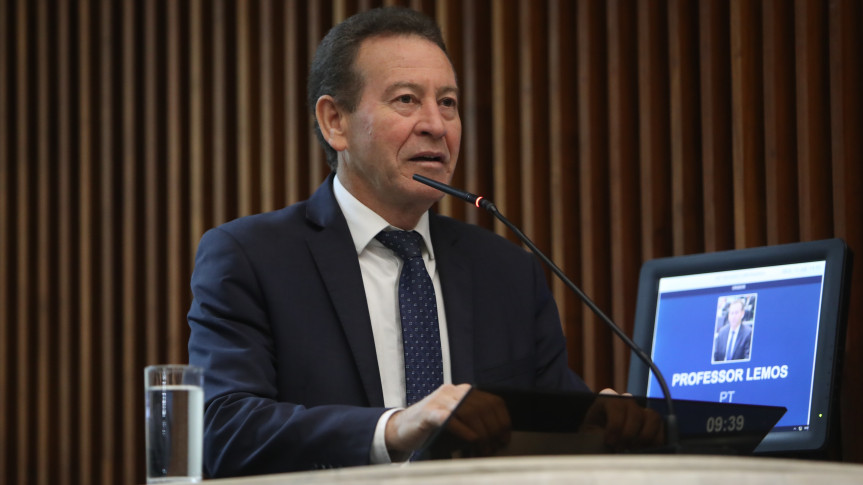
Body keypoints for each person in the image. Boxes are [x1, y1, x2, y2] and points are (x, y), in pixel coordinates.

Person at [188, 7, 655, 478]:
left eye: (448, 102)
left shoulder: (507, 271)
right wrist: (393, 428)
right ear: (335, 122)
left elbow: (552, 426)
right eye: (407, 100)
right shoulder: (252, 257)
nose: (436, 124)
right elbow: (223, 429)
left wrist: (595, 423)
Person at [713, 298, 753, 362]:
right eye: (731, 313)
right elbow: (716, 356)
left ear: (742, 314)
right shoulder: (722, 332)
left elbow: (747, 359)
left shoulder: (748, 333)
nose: (733, 316)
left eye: (736, 313)